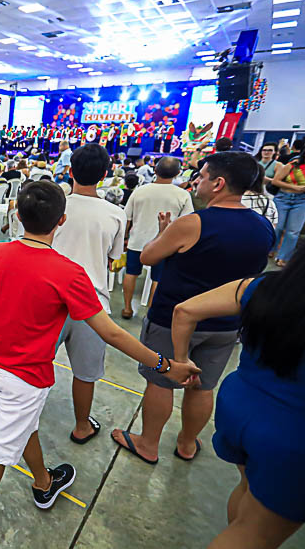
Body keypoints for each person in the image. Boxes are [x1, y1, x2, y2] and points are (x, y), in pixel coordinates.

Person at [0, 181, 199, 547]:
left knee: (22, 425)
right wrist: (165, 365)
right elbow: (111, 333)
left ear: (17, 215)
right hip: (26, 376)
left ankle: (43, 482)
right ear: (61, 220)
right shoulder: (68, 272)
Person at [170, 221, 305, 549]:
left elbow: (185, 311)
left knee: (248, 495)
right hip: (300, 437)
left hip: (240, 404)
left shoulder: (262, 287)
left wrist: (181, 360)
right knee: (254, 534)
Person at [111, 151, 275, 465]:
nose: (197, 181)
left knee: (161, 380)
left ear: (219, 183)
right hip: (226, 323)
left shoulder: (193, 223)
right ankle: (187, 444)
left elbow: (148, 257)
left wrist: (163, 233)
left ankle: (148, 444)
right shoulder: (262, 226)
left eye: (202, 176)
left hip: (173, 319)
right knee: (203, 386)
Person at [52, 144, 127, 444]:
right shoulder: (116, 214)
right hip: (92, 304)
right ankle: (82, 426)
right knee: (85, 373)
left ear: (70, 171)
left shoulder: (54, 206)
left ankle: (25, 419)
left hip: (51, 299)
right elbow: (113, 258)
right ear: (105, 175)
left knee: (36, 363)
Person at [120, 156, 193, 319]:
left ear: (155, 170)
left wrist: (124, 238)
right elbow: (186, 222)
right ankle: (150, 313)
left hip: (137, 241)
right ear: (178, 173)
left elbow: (127, 218)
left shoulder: (140, 191)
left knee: (131, 273)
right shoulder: (182, 195)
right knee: (157, 279)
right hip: (165, 245)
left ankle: (127, 308)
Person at [269, 141, 305, 266]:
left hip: (303, 201)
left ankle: (283, 257)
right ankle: (271, 249)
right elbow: (276, 181)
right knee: (277, 227)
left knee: (293, 231)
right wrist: (295, 188)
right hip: (283, 198)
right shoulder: (292, 165)